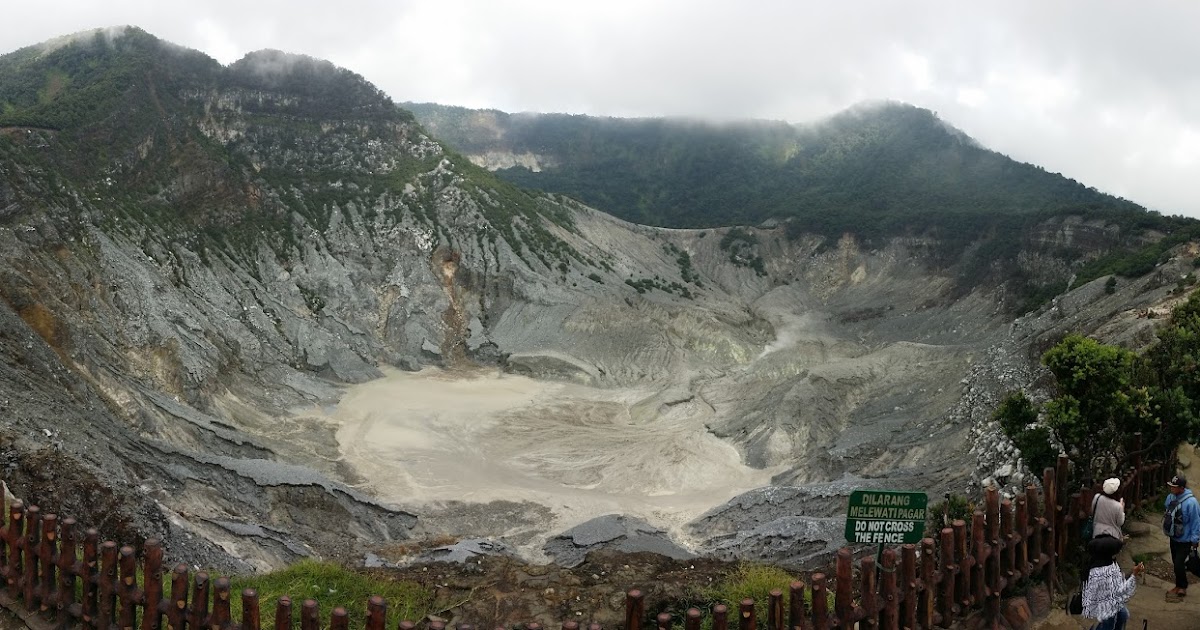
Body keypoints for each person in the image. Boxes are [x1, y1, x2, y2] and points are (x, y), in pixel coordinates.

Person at [1081, 534, 1143, 630]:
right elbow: (1121, 592)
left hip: (1110, 603)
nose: (1118, 552)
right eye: (1116, 551)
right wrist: (1134, 574)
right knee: (1110, 624)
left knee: (1123, 615)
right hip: (1107, 606)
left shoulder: (1101, 563)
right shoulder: (1103, 572)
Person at [1164, 474, 1200, 597]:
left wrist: (1195, 539)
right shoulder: (1170, 497)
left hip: (1185, 539)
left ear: (1181, 488)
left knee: (1179, 563)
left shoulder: (1192, 503)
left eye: (1174, 487)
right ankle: (1180, 584)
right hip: (1173, 536)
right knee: (1175, 561)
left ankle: (1181, 587)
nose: (1171, 489)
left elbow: (1196, 521)